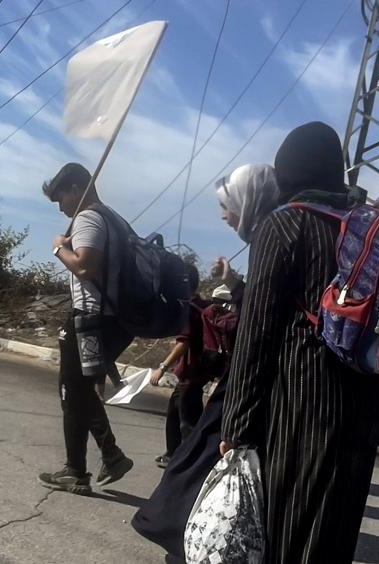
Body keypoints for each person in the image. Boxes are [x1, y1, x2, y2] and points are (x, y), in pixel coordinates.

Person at [219, 122, 379, 563]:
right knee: (333, 539)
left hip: (300, 404)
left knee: (284, 533)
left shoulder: (287, 223)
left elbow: (256, 333)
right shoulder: (374, 232)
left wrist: (237, 424)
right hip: (362, 410)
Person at [130, 163, 279, 559]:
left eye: (227, 205)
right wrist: (234, 282)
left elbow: (264, 327)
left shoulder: (275, 236)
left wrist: (239, 414)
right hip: (238, 387)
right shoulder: (270, 237)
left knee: (194, 470)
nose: (224, 215)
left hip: (244, 389)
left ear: (249, 201)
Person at [35, 162, 135, 495]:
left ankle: (90, 463)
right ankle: (93, 462)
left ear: (77, 189)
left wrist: (58, 248)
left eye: (60, 198)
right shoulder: (115, 218)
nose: (60, 207)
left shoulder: (88, 218)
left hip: (90, 320)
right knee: (78, 390)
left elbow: (84, 267)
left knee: (71, 390)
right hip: (114, 319)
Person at [153, 282, 238, 469]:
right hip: (201, 370)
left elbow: (183, 342)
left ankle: (193, 460)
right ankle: (173, 454)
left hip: (191, 371)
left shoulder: (190, 310)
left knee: (188, 421)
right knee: (175, 412)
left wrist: (162, 367)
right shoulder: (203, 306)